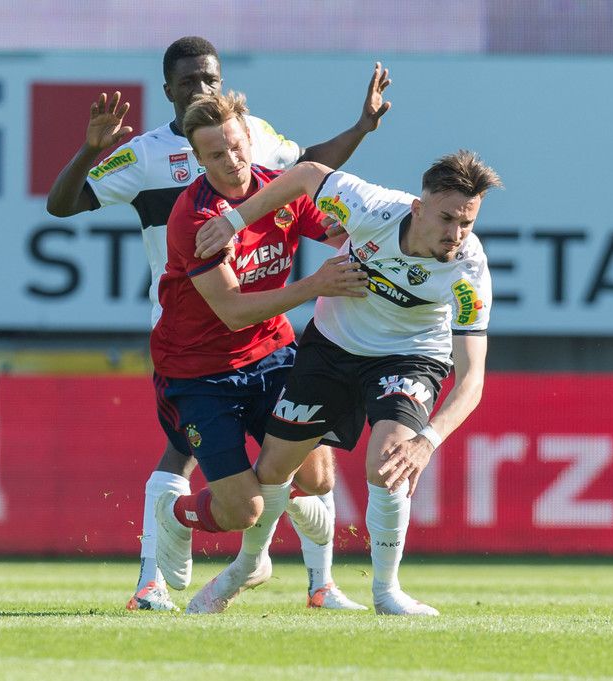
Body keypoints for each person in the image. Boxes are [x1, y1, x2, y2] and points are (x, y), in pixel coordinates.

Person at [46, 36, 390, 612]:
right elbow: (64, 203)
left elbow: (313, 177)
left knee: (315, 473)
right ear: (170, 96)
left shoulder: (260, 146)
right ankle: (166, 554)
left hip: (268, 344)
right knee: (214, 483)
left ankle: (318, 584)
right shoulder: (166, 178)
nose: (201, 90)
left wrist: (366, 150)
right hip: (195, 350)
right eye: (188, 82)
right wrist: (88, 151)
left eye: (210, 79)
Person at [189, 149, 500, 615]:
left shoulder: (468, 272)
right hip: (332, 347)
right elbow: (306, 174)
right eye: (447, 219)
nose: (456, 234)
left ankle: (386, 591)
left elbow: (472, 379)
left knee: (390, 462)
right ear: (418, 208)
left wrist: (427, 442)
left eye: (467, 223)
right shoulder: (372, 208)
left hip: (409, 356)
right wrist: (233, 221)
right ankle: (249, 565)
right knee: (273, 471)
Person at [149, 90, 375, 615]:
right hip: (199, 374)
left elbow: (341, 232)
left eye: (235, 146)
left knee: (317, 477)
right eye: (215, 154)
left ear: (248, 137)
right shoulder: (194, 218)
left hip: (271, 355)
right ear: (198, 160)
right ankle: (177, 515)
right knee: (243, 510)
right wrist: (315, 285)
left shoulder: (279, 190)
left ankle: (317, 582)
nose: (231, 160)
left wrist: (377, 231)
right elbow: (232, 311)